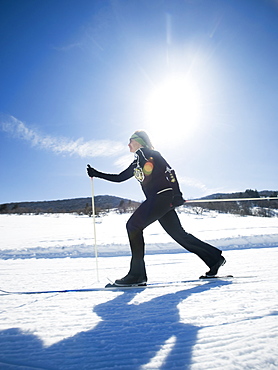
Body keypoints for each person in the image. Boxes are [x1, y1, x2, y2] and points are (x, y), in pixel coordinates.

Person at [87, 130, 226, 286]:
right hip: (158, 200)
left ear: (139, 141)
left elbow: (170, 172)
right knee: (179, 235)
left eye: (130, 141)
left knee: (133, 226)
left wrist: (177, 193)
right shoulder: (137, 162)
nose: (128, 145)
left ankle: (137, 275)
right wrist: (96, 173)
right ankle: (214, 259)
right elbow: (119, 178)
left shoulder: (149, 154)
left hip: (162, 197)